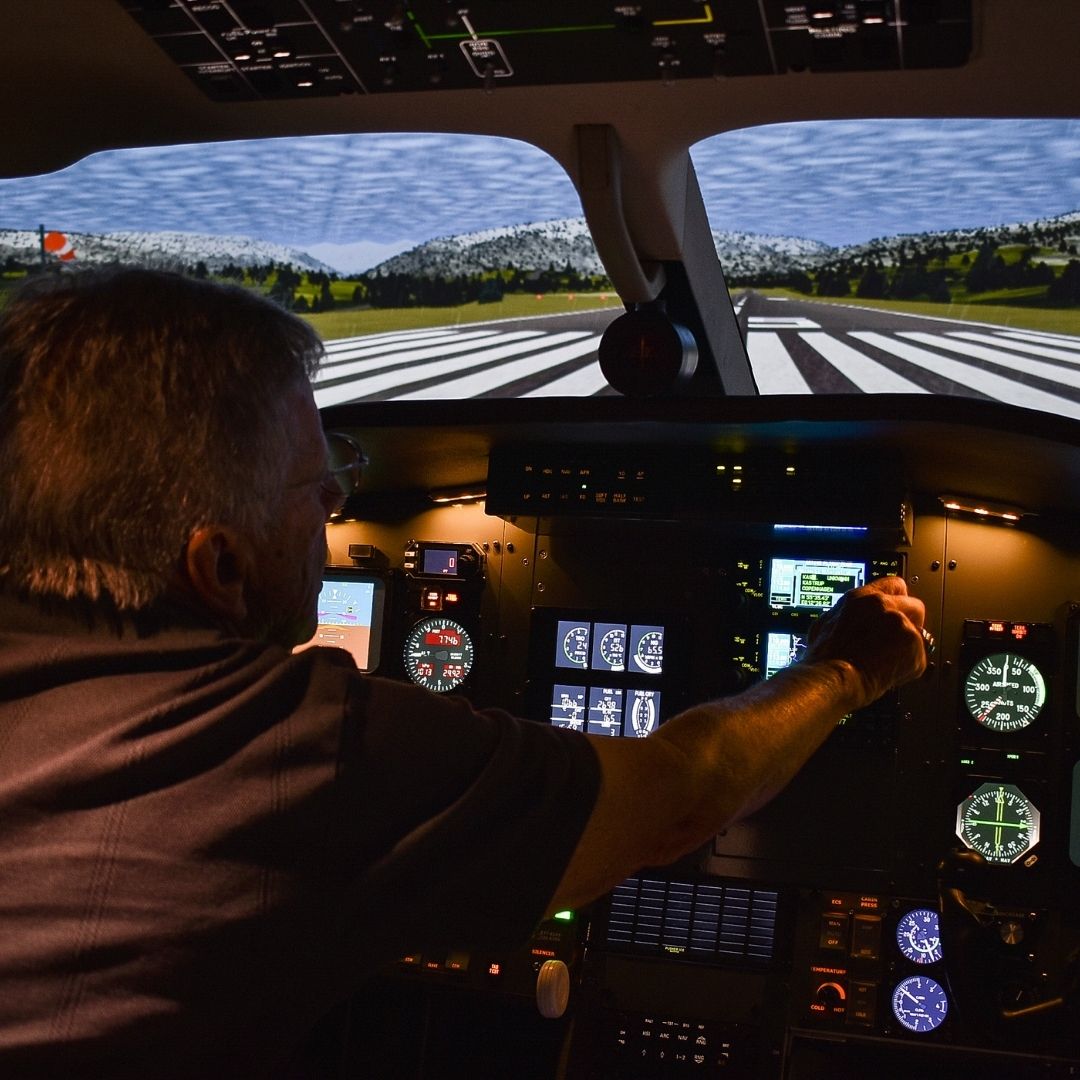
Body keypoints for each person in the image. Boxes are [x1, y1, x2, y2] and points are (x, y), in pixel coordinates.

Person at [0, 268, 927, 1077]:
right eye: (318, 490)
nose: (337, 506)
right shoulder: (287, 748)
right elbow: (678, 801)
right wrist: (846, 670)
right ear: (221, 568)